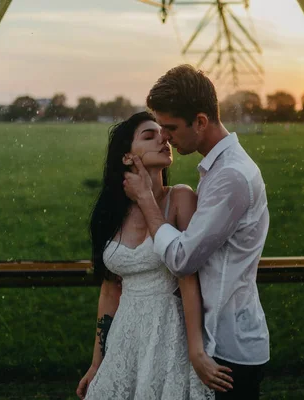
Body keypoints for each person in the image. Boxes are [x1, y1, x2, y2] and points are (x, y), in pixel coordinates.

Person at [123, 64, 270, 399]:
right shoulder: (218, 170)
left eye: (170, 127)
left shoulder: (231, 176)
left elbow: (182, 258)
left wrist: (146, 200)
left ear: (201, 122)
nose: (164, 137)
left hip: (228, 348)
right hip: (218, 339)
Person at [76, 111, 232, 400]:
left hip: (170, 336)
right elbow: (110, 291)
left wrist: (196, 352)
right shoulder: (108, 214)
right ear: (126, 157)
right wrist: (97, 363)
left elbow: (189, 279)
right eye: (149, 136)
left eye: (163, 134)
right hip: (125, 339)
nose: (163, 139)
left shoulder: (181, 199)